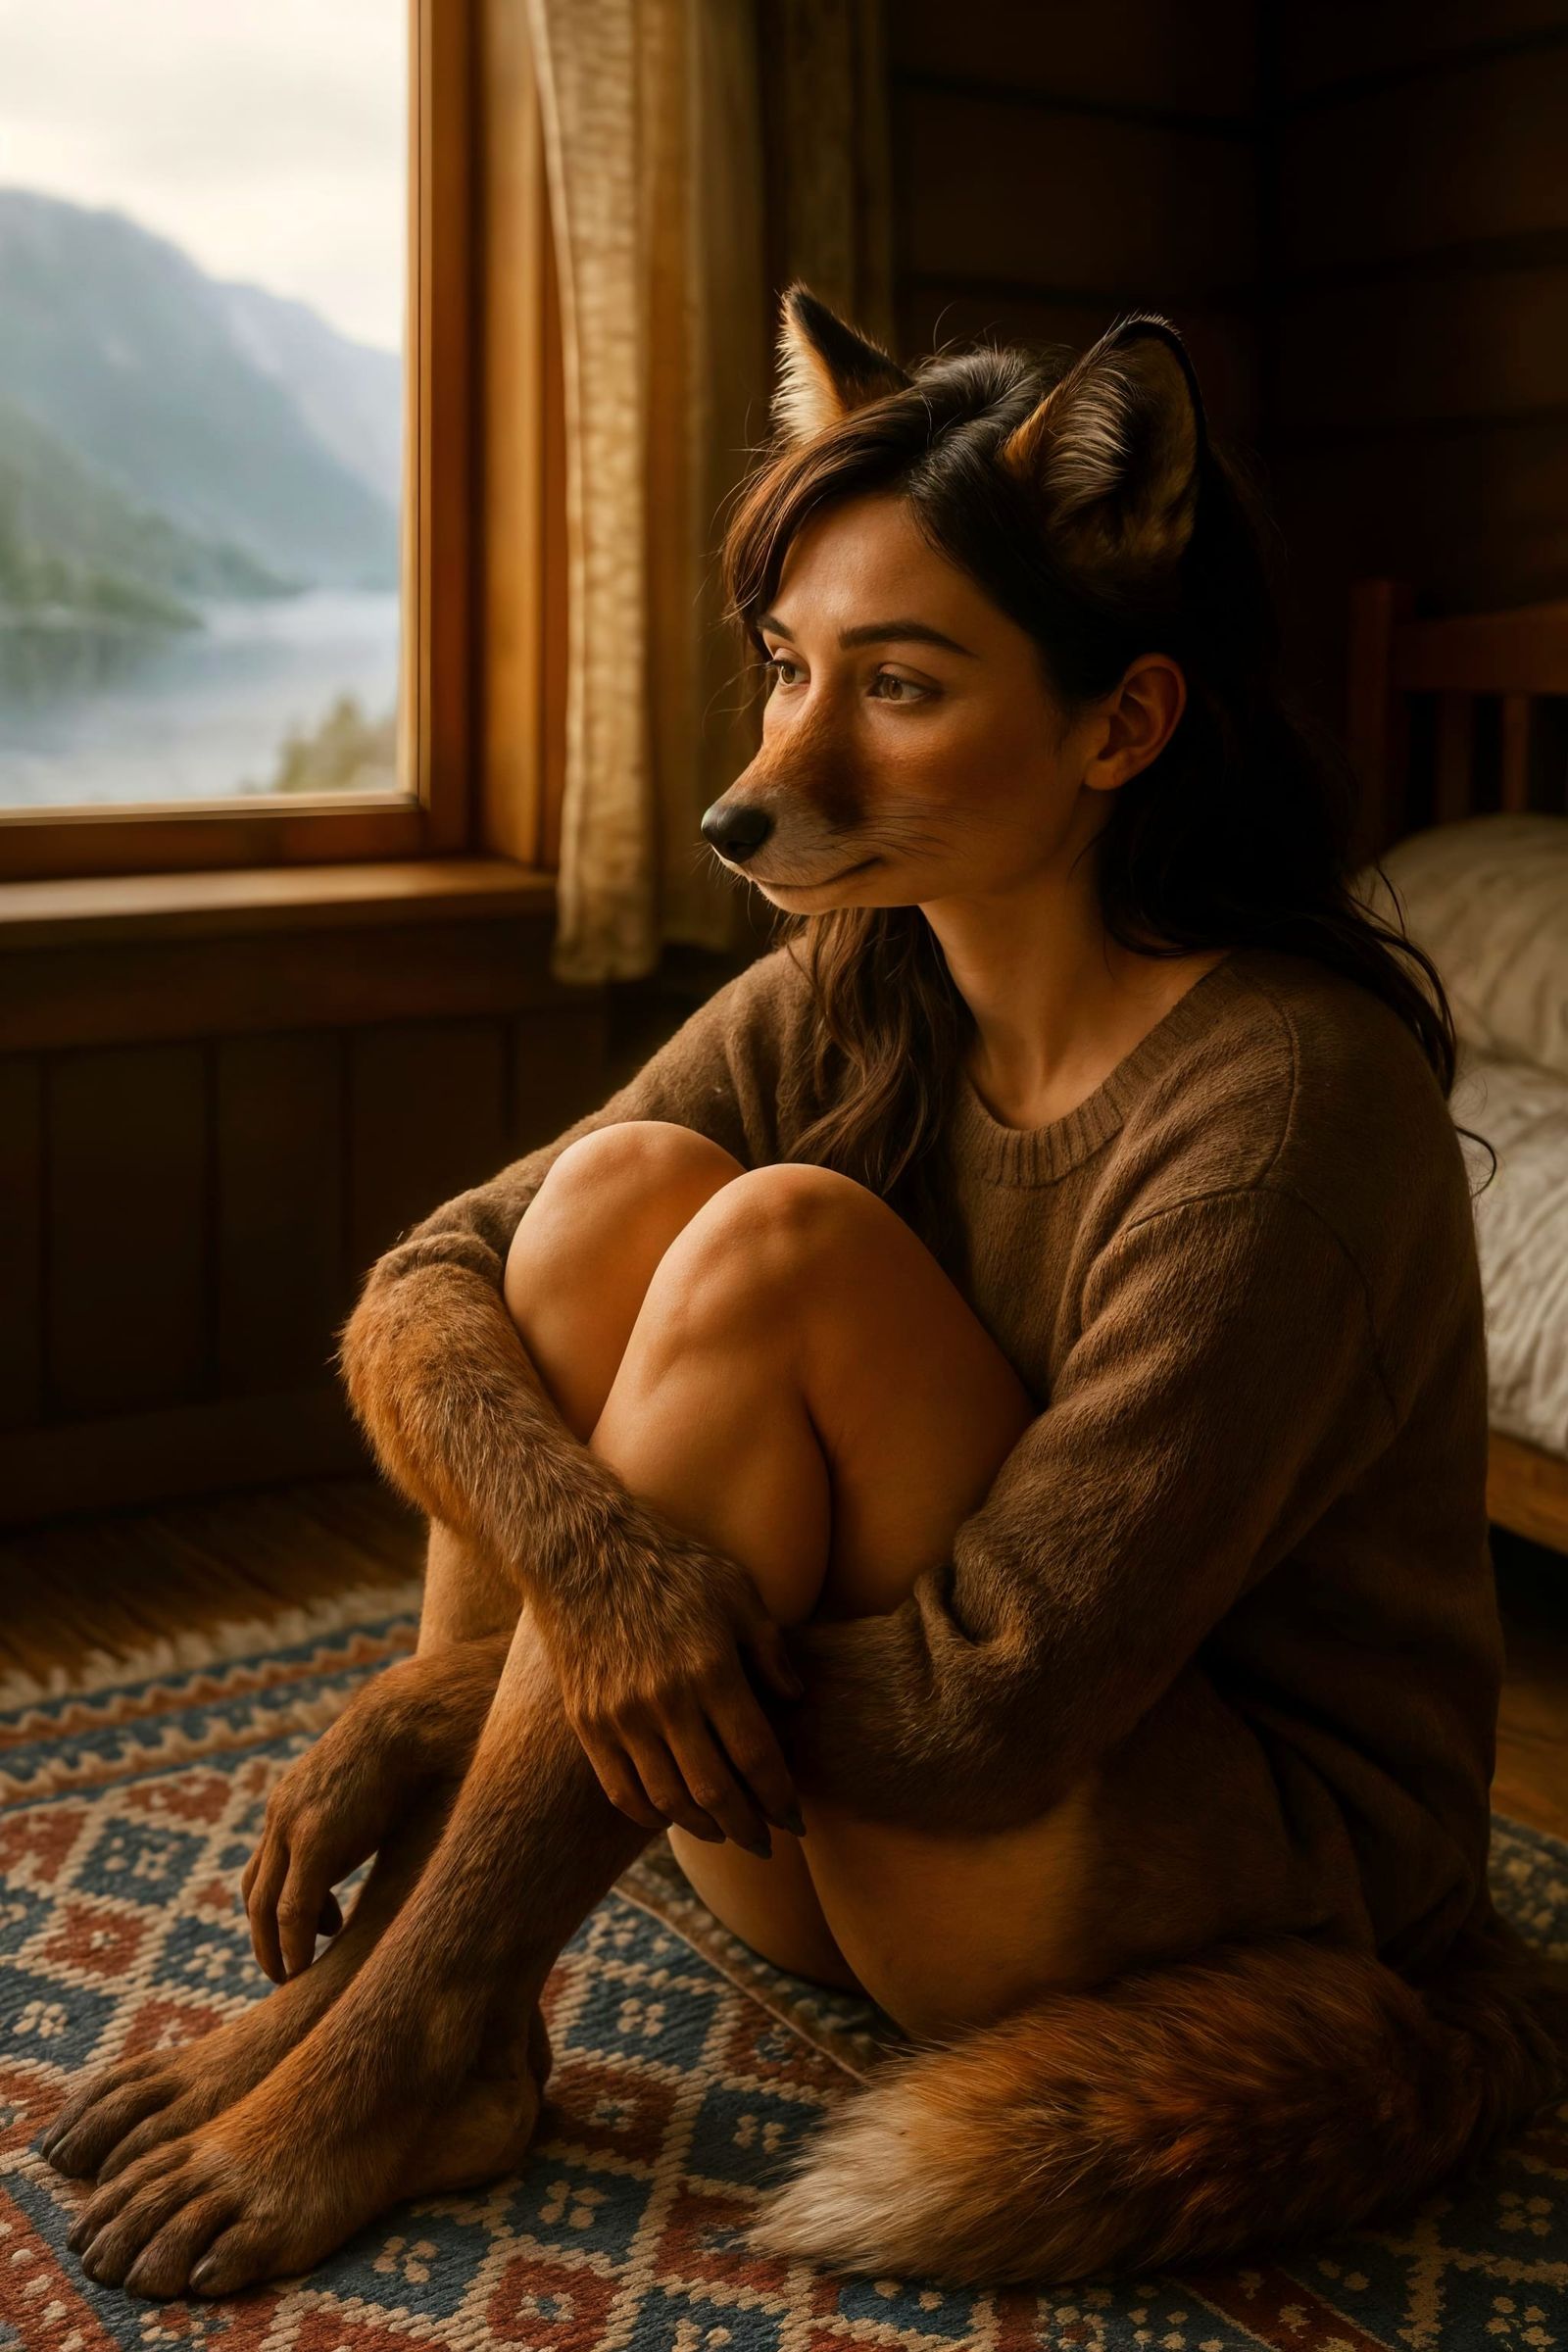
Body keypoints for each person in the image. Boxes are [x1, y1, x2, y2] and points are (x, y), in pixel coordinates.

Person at [39, 290, 1568, 2299]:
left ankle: (406, 2023)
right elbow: (424, 1291)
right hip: (816, 1837)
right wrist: (580, 1589)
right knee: (613, 1200)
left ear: (1120, 720)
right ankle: (453, 2005)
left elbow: (982, 1717)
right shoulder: (867, 972)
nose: (769, 772)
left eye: (898, 689)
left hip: (1137, 1882)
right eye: (784, 669)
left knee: (779, 1248)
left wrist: (457, 1704)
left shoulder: (1283, 1098)